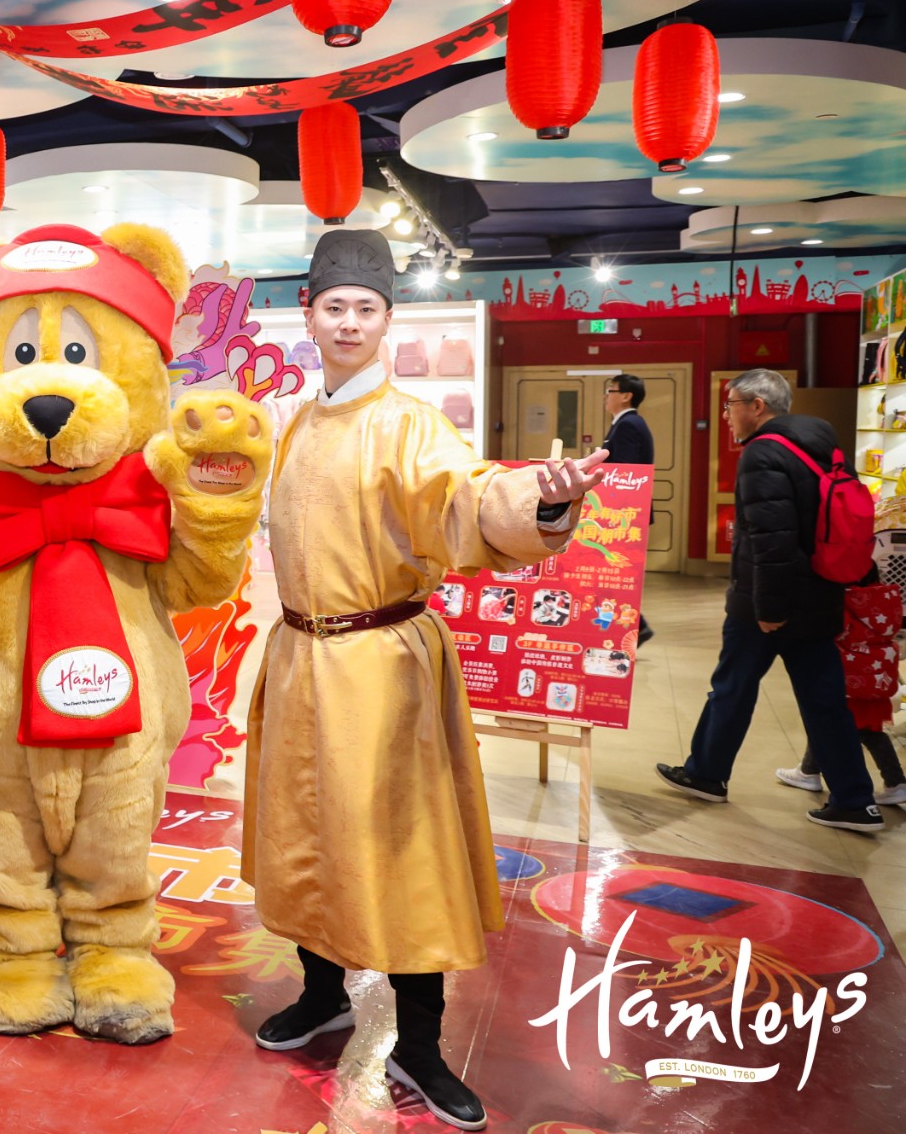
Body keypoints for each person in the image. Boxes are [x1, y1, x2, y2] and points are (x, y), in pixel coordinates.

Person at [244, 229, 603, 1132]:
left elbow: (467, 496)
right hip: (299, 658)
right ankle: (321, 991)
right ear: (309, 316)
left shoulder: (408, 423)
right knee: (308, 836)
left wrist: (543, 498)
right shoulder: (297, 422)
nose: (349, 322)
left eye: (366, 309)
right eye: (335, 307)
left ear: (388, 322)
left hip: (380, 673)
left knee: (404, 847)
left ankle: (422, 1043)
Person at [656, 368, 882, 831]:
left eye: (731, 405)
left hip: (768, 603)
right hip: (822, 592)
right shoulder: (824, 443)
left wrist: (770, 610)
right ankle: (856, 800)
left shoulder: (763, 453)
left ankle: (706, 774)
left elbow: (772, 539)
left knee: (732, 687)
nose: (726, 415)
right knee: (825, 699)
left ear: (757, 406)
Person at [775, 566, 906, 804]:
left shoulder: (848, 603)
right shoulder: (885, 601)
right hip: (875, 680)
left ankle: (896, 782)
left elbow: (833, 633)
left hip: (850, 681)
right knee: (861, 729)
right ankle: (809, 771)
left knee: (837, 725)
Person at [604, 372, 655, 645]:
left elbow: (624, 472)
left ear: (626, 396)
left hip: (624, 515)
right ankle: (634, 625)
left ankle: (637, 626)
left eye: (611, 390)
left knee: (618, 575)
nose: (606, 396)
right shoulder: (625, 423)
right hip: (624, 514)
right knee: (616, 575)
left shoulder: (629, 425)